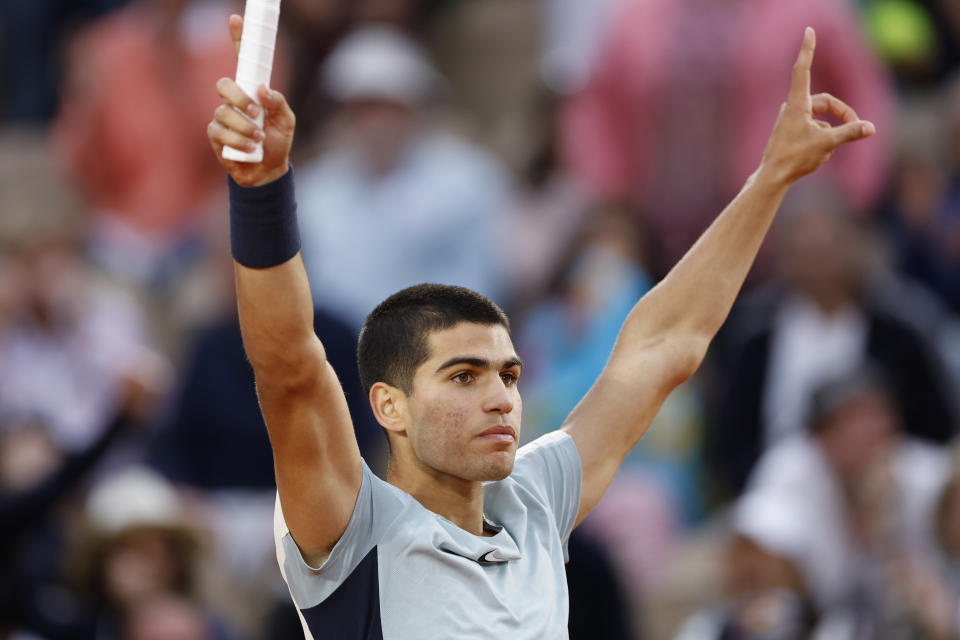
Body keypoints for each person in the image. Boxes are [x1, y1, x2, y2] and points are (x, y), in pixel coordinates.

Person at [206, 12, 875, 638]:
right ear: (390, 406)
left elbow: (664, 344)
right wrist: (261, 189)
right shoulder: (350, 528)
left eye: (508, 374)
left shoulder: (534, 500)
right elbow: (290, 367)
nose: (500, 397)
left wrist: (771, 178)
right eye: (464, 376)